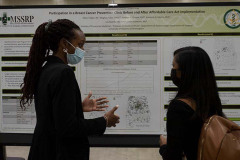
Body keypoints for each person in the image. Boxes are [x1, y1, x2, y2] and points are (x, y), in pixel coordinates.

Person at [20, 19, 120, 160]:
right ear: (64, 44)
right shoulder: (63, 72)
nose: (82, 50)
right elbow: (68, 128)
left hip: (44, 150)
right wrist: (104, 121)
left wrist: (77, 107)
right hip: (59, 153)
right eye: (80, 45)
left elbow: (53, 115)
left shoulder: (46, 69)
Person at [159, 46, 225, 160]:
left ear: (185, 72)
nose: (172, 71)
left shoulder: (178, 107)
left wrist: (164, 145)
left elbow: (173, 156)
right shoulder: (211, 101)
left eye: (174, 66)